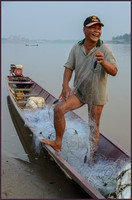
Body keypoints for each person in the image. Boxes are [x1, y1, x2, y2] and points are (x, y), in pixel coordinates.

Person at [41, 16, 118, 164]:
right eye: (93, 27)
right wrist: (65, 84)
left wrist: (103, 62)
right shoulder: (77, 47)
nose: (97, 31)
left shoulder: (104, 48)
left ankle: (90, 158)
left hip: (97, 94)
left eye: (99, 28)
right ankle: (58, 143)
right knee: (58, 109)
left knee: (93, 126)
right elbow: (69, 66)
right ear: (84, 30)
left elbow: (114, 71)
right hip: (79, 92)